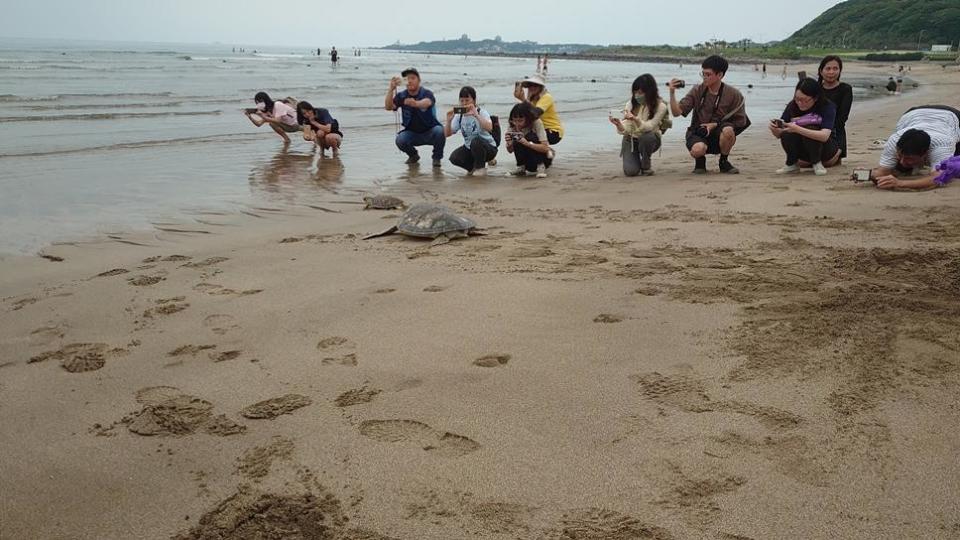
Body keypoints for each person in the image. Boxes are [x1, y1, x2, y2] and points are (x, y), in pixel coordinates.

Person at [668, 55, 751, 174]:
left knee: (728, 130)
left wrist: (716, 125)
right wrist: (672, 93)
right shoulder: (698, 90)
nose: (704, 78)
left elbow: (740, 122)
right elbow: (677, 113)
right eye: (703, 74)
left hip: (719, 132)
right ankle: (700, 162)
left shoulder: (734, 94)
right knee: (698, 150)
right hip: (698, 131)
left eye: (708, 74)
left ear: (720, 75)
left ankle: (724, 161)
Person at [867, 105, 960, 189]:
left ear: (925, 154)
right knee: (901, 167)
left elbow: (938, 179)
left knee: (955, 168)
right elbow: (883, 172)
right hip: (913, 114)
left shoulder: (943, 145)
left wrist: (899, 183)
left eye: (908, 158)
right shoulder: (894, 140)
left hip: (950, 116)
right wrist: (869, 174)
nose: (902, 161)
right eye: (900, 156)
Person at [769, 78, 841, 176]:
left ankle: (817, 163)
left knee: (809, 128)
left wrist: (797, 129)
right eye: (797, 99)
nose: (800, 103)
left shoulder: (827, 106)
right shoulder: (792, 105)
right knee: (787, 132)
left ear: (815, 98)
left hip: (826, 149)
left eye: (804, 100)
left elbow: (824, 136)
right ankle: (791, 164)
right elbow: (780, 134)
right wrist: (775, 129)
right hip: (803, 152)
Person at [609, 74, 670, 176]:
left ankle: (646, 165)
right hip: (631, 139)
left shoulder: (661, 106)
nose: (637, 95)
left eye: (640, 93)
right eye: (635, 92)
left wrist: (635, 119)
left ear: (649, 92)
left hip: (650, 139)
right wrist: (618, 124)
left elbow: (649, 126)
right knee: (631, 172)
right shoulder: (630, 104)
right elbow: (627, 128)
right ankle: (635, 159)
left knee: (647, 136)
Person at [384, 68, 444, 167]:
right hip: (412, 133)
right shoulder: (402, 96)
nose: (410, 81)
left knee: (440, 131)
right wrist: (391, 89)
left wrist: (415, 103)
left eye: (413, 78)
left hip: (430, 131)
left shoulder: (426, 93)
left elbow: (427, 102)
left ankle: (436, 159)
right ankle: (413, 155)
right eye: (407, 79)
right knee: (400, 140)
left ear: (419, 80)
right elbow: (388, 107)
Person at [444, 86, 497, 176]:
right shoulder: (459, 116)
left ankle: (480, 168)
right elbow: (447, 134)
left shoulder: (481, 112)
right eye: (462, 100)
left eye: (467, 100)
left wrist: (476, 115)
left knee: (475, 141)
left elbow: (489, 127)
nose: (464, 103)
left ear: (474, 100)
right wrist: (448, 121)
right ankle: (473, 168)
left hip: (488, 148)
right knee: (454, 157)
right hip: (470, 148)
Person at [818, 55, 853, 160]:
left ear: (840, 71)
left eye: (835, 68)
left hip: (836, 133)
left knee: (830, 162)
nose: (831, 72)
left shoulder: (845, 89)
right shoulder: (815, 88)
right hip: (814, 131)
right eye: (828, 68)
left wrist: (826, 130)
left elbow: (842, 117)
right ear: (821, 71)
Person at [513, 73, 563, 145]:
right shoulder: (532, 99)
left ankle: (547, 152)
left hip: (553, 131)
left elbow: (535, 113)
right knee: (516, 138)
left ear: (541, 87)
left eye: (535, 85)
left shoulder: (546, 97)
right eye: (530, 85)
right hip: (538, 130)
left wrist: (523, 99)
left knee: (523, 138)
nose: (532, 87)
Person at [505, 102, 551, 178]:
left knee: (530, 136)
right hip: (527, 161)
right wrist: (509, 143)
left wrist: (528, 143)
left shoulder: (536, 123)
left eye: (520, 120)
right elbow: (510, 151)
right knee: (518, 138)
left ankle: (540, 167)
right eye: (515, 120)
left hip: (542, 159)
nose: (517, 123)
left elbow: (545, 148)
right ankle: (521, 168)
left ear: (528, 118)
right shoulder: (512, 126)